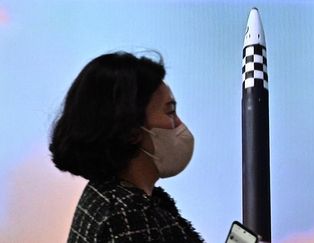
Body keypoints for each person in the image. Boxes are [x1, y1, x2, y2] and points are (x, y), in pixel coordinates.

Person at [49, 51, 204, 243]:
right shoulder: (127, 219)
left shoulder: (111, 195)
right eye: (170, 111)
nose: (179, 123)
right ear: (132, 131)